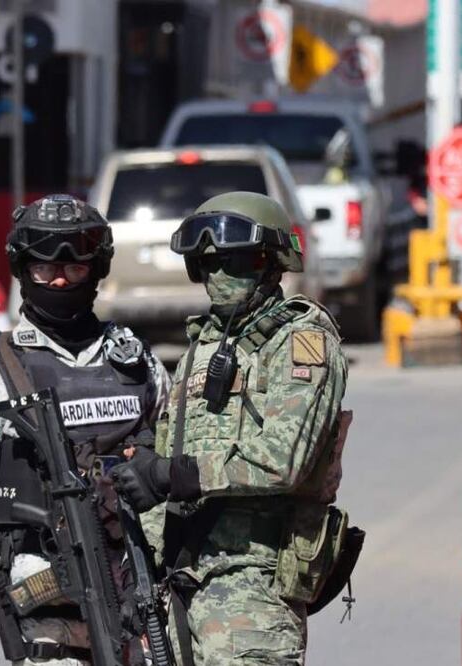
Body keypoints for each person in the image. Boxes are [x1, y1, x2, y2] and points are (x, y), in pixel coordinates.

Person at [0, 194, 170, 666]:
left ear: (96, 270)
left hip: (140, 591)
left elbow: (177, 450)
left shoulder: (134, 361)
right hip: (48, 602)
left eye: (75, 267)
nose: (59, 278)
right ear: (22, 271)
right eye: (44, 268)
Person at [112, 192, 349, 665]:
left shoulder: (302, 343)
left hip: (253, 588)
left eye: (234, 262)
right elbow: (170, 451)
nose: (218, 275)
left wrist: (173, 475)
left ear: (270, 263)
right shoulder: (202, 346)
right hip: (180, 580)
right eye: (207, 264)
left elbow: (284, 461)